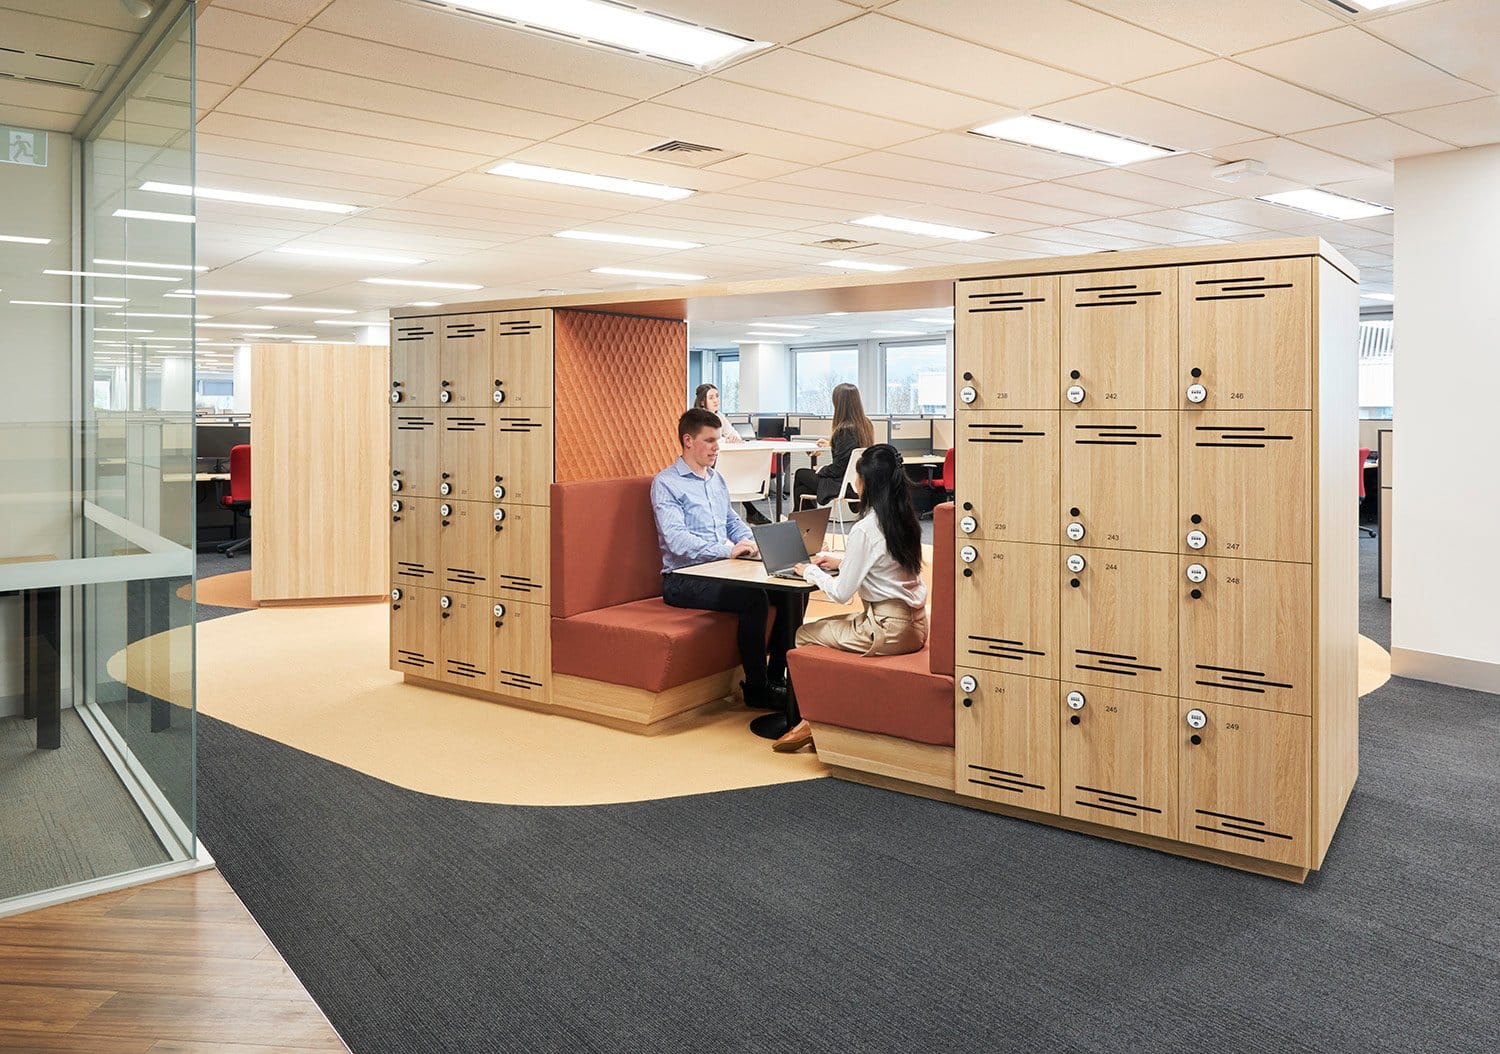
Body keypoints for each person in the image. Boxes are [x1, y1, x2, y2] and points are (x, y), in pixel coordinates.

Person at [774, 444, 929, 753]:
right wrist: (841, 562)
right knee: (829, 629)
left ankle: (809, 720)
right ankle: (823, 716)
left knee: (804, 634)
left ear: (866, 483)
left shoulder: (866, 528)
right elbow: (883, 565)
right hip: (916, 627)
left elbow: (841, 594)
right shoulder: (904, 520)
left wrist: (809, 571)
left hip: (884, 629)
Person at [653, 407, 792, 710]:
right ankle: (756, 689)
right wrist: (726, 550)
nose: (717, 447)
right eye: (710, 440)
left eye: (718, 440)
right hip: (684, 579)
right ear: (688, 441)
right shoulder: (666, 483)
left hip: (721, 568)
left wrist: (752, 540)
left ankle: (776, 677)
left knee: (789, 592)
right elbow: (676, 541)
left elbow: (732, 521)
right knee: (754, 598)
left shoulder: (715, 479)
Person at [693, 383, 770, 525]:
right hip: (706, 465)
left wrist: (733, 438)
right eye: (711, 398)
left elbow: (734, 433)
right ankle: (750, 513)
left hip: (720, 463)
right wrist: (725, 440)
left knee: (736, 467)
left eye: (717, 396)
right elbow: (710, 441)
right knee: (732, 469)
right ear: (703, 402)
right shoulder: (699, 419)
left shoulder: (719, 416)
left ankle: (749, 512)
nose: (716, 400)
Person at [791, 382, 874, 513]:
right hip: (858, 482)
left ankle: (800, 526)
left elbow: (837, 469)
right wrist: (832, 443)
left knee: (800, 474)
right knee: (802, 490)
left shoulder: (844, 430)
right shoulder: (865, 424)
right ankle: (805, 527)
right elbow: (852, 450)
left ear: (839, 404)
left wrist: (821, 469)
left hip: (843, 486)